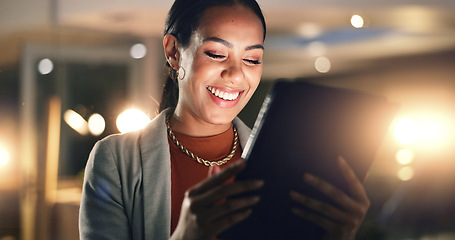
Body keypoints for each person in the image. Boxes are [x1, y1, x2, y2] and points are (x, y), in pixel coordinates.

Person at [79, 0, 370, 239]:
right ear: (174, 52)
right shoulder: (116, 160)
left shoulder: (280, 163)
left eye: (252, 59)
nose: (235, 75)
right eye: (217, 54)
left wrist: (337, 236)